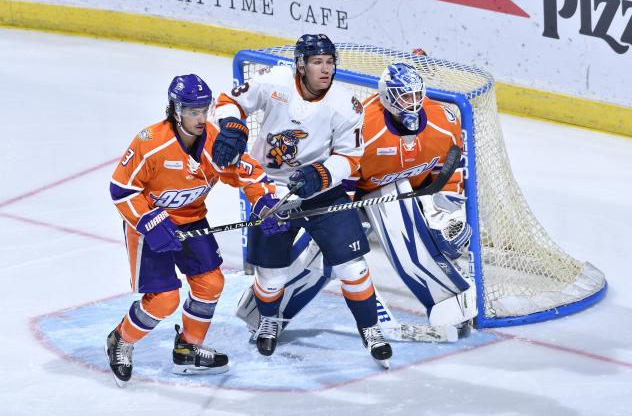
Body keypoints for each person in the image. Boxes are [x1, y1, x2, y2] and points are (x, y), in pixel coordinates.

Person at [236, 62, 475, 341]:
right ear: (387, 96)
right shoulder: (365, 126)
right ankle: (265, 314)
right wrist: (343, 224)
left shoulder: (443, 120)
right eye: (404, 96)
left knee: (405, 228)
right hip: (353, 195)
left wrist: (445, 208)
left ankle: (451, 301)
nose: (412, 104)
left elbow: (450, 167)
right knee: (322, 254)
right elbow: (342, 175)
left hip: (401, 192)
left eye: (415, 96)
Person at [212, 34, 392, 367]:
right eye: (317, 62)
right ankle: (269, 320)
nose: (325, 70)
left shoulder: (345, 104)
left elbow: (351, 157)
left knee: (352, 268)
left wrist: (321, 175)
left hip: (323, 190)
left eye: (329, 62)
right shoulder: (275, 81)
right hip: (272, 191)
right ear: (300, 64)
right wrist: (234, 125)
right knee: (271, 276)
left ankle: (370, 329)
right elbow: (228, 100)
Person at [105, 74, 281, 387]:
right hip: (150, 225)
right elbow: (122, 190)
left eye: (204, 110)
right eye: (192, 112)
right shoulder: (150, 143)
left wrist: (264, 203)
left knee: (211, 284)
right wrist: (149, 222)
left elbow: (250, 175)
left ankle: (188, 348)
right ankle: (121, 339)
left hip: (192, 220)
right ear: (176, 111)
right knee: (163, 301)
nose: (201, 118)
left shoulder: (217, 143)